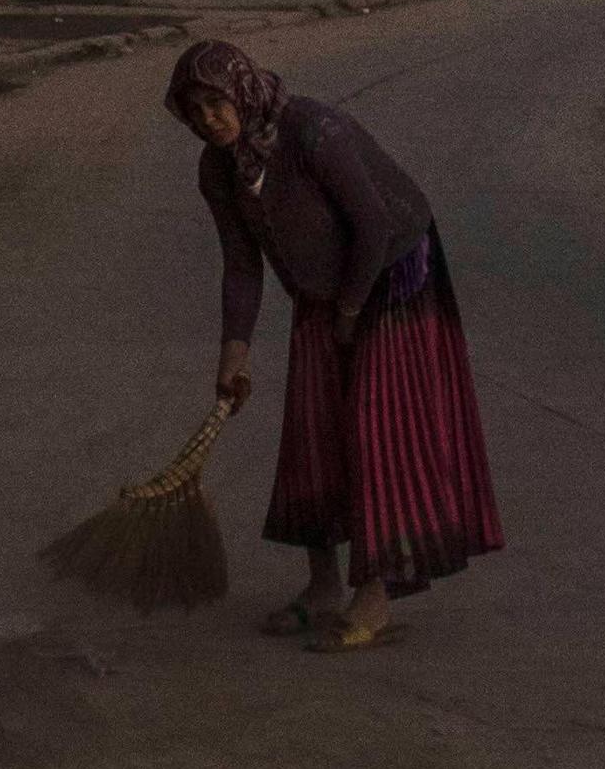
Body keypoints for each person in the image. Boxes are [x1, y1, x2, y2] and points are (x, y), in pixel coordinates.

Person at [165, 37, 502, 649]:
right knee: (313, 430)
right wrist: (233, 351)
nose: (208, 119)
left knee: (379, 431)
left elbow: (372, 226)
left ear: (241, 91)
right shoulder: (218, 170)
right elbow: (241, 264)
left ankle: (373, 598)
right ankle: (322, 584)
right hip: (320, 284)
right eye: (194, 111)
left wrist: (349, 310)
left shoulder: (314, 133)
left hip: (394, 269)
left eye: (216, 103)